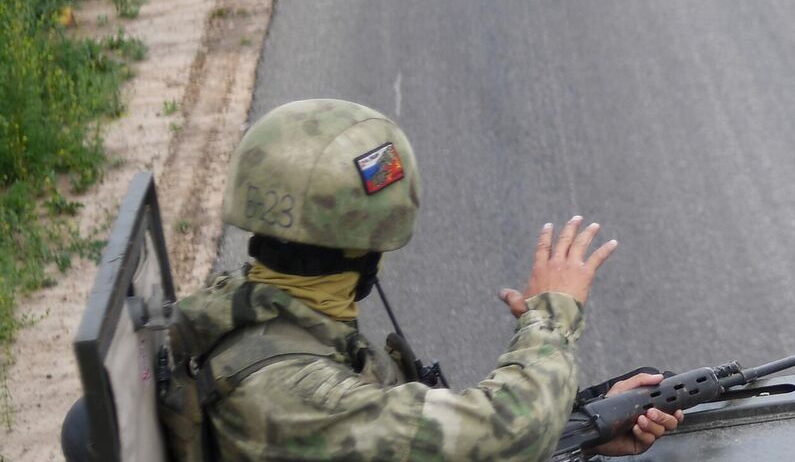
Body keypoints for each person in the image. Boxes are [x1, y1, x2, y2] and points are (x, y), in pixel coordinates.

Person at [174, 99, 679, 460]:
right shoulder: (292, 390)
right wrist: (551, 316)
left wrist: (585, 422)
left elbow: (427, 436)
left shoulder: (257, 314)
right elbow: (505, 435)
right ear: (367, 249)